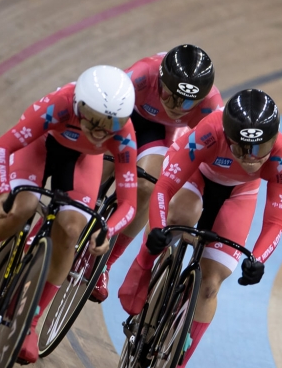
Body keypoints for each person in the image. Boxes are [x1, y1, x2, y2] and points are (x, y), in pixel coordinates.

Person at [117, 89, 282, 368]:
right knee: (178, 218)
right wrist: (157, 230)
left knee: (211, 285)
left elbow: (275, 221)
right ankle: (142, 270)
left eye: (261, 148)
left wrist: (257, 259)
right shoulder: (208, 132)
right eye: (243, 148)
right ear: (228, 136)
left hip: (239, 194)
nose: (253, 157)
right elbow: (165, 187)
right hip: (195, 177)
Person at [0, 65, 138, 363]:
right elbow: (1, 147)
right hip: (41, 146)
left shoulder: (123, 133)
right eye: (93, 122)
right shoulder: (59, 106)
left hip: (81, 161)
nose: (99, 131)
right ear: (79, 105)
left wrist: (108, 229)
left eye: (109, 126)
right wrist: (4, 193)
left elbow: (129, 202)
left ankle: (32, 320)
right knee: (21, 207)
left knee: (72, 230)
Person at [90, 44, 222, 302]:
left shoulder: (210, 106)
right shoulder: (141, 75)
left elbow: (205, 156)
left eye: (187, 102)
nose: (177, 107)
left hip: (161, 135)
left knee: (148, 186)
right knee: (96, 172)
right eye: (171, 96)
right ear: (160, 81)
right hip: (123, 117)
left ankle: (104, 264)